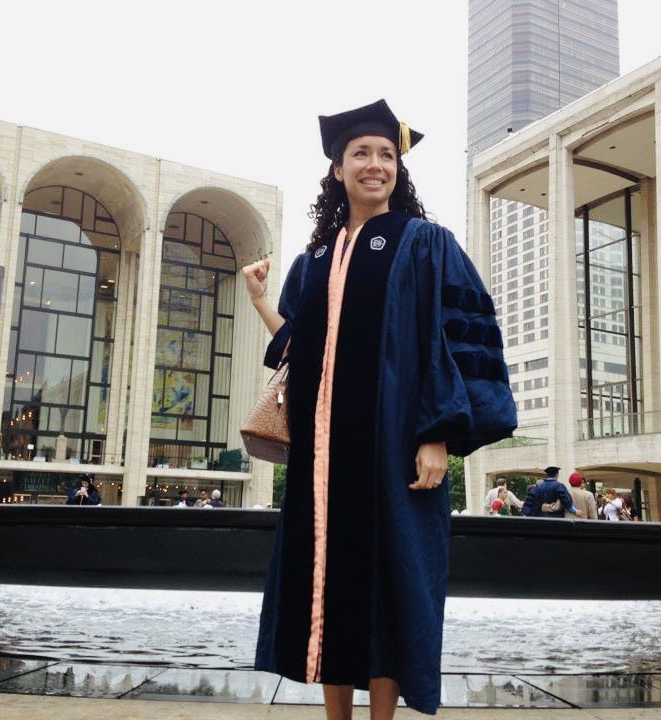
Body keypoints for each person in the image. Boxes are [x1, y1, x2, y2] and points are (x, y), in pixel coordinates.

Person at [244, 99, 516, 718]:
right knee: (325, 583)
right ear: (337, 169)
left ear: (400, 169)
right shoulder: (313, 260)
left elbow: (457, 339)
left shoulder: (425, 244)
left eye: (386, 155)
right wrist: (262, 299)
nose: (375, 165)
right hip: (322, 459)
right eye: (360, 154)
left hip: (397, 449)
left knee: (395, 585)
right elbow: (300, 348)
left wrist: (438, 432)